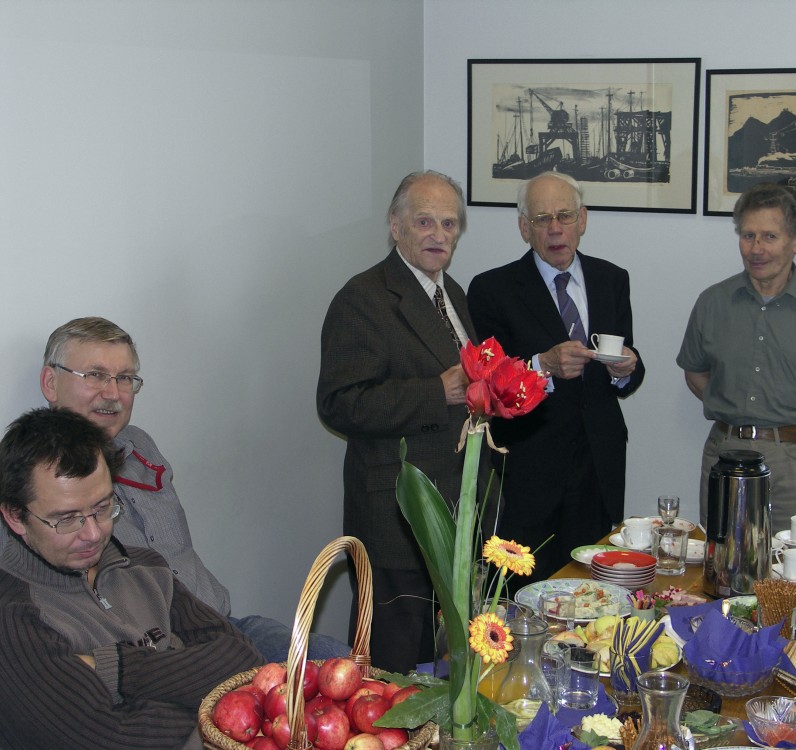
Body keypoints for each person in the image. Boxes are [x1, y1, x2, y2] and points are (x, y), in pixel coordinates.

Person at [30, 316, 350, 662]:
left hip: (221, 623)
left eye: (124, 378)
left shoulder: (141, 445)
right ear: (51, 383)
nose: (112, 394)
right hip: (159, 652)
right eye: (95, 375)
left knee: (342, 661)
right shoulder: (32, 483)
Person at [0, 407, 263, 749]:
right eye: (66, 519)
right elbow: (109, 739)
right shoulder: (13, 615)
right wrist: (207, 698)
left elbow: (244, 662)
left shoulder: (145, 566)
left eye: (102, 507)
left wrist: (114, 669)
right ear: (15, 516)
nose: (94, 534)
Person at [317, 170, 491, 673]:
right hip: (395, 515)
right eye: (425, 222)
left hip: (453, 506)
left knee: (441, 663)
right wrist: (436, 392)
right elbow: (339, 403)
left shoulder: (452, 292)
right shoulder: (363, 298)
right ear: (395, 226)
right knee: (388, 673)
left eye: (449, 224)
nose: (439, 235)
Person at [467, 172, 645, 586]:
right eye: (542, 218)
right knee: (521, 595)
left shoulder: (612, 279)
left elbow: (628, 370)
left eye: (565, 215)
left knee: (594, 594)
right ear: (524, 228)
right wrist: (541, 366)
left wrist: (627, 370)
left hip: (598, 469)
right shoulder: (491, 289)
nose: (555, 229)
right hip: (526, 476)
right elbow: (486, 387)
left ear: (582, 220)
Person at [676, 182, 796, 533]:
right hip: (726, 456)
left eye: (769, 236)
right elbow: (695, 372)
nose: (756, 249)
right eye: (748, 236)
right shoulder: (713, 302)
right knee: (723, 559)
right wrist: (730, 406)